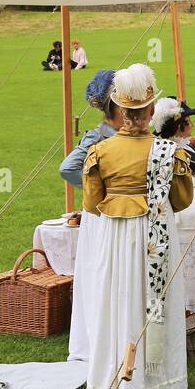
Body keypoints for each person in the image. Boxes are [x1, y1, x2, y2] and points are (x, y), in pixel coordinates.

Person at [80, 63, 194, 389]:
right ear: (149, 110)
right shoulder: (169, 152)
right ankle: (158, 379)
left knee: (118, 300)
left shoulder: (100, 152)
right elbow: (182, 200)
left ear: (118, 109)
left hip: (116, 237)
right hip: (157, 234)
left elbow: (91, 203)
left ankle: (115, 379)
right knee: (157, 300)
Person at [61, 69, 123, 364]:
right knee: (102, 273)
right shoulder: (97, 136)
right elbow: (68, 168)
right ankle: (98, 339)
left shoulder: (129, 134)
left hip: (122, 214)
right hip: (102, 217)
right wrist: (101, 192)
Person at [152, 97, 195, 176]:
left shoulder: (192, 142)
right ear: (179, 126)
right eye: (189, 122)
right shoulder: (171, 153)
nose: (192, 125)